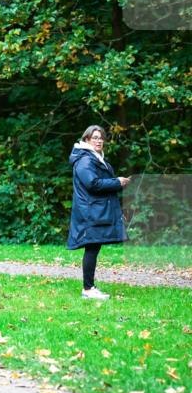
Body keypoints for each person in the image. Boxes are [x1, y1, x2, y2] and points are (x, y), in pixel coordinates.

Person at [68, 125, 129, 299]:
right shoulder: (85, 160)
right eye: (95, 137)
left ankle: (89, 287)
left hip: (94, 210)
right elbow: (92, 184)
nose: (99, 140)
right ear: (86, 139)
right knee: (92, 248)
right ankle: (87, 289)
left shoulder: (94, 158)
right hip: (90, 212)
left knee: (93, 247)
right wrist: (116, 182)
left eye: (101, 137)